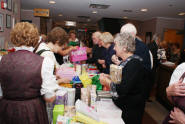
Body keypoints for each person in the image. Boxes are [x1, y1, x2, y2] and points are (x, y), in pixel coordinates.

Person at [0, 22, 61, 124]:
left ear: (14, 38)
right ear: (35, 39)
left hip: (7, 111)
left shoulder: (1, 60)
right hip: (33, 111)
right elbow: (49, 97)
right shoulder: (44, 62)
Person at [99, 33, 147, 124]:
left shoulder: (134, 63)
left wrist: (106, 82)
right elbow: (124, 78)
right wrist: (109, 76)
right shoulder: (127, 61)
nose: (114, 48)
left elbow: (122, 88)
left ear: (124, 48)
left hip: (130, 111)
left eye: (116, 45)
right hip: (124, 107)